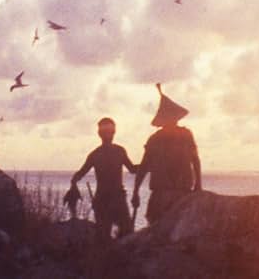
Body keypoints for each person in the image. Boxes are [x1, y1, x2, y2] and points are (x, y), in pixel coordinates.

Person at [132, 83, 201, 225]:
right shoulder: (155, 139)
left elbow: (195, 160)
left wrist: (198, 185)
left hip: (180, 192)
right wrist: (135, 192)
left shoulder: (185, 135)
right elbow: (144, 167)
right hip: (163, 193)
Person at [71, 117, 137, 241]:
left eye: (110, 131)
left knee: (123, 233)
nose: (109, 134)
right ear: (100, 134)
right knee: (107, 235)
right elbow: (80, 174)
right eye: (106, 131)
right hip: (106, 200)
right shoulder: (99, 154)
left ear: (113, 133)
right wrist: (73, 185)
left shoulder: (113, 152)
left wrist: (149, 165)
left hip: (114, 199)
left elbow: (133, 169)